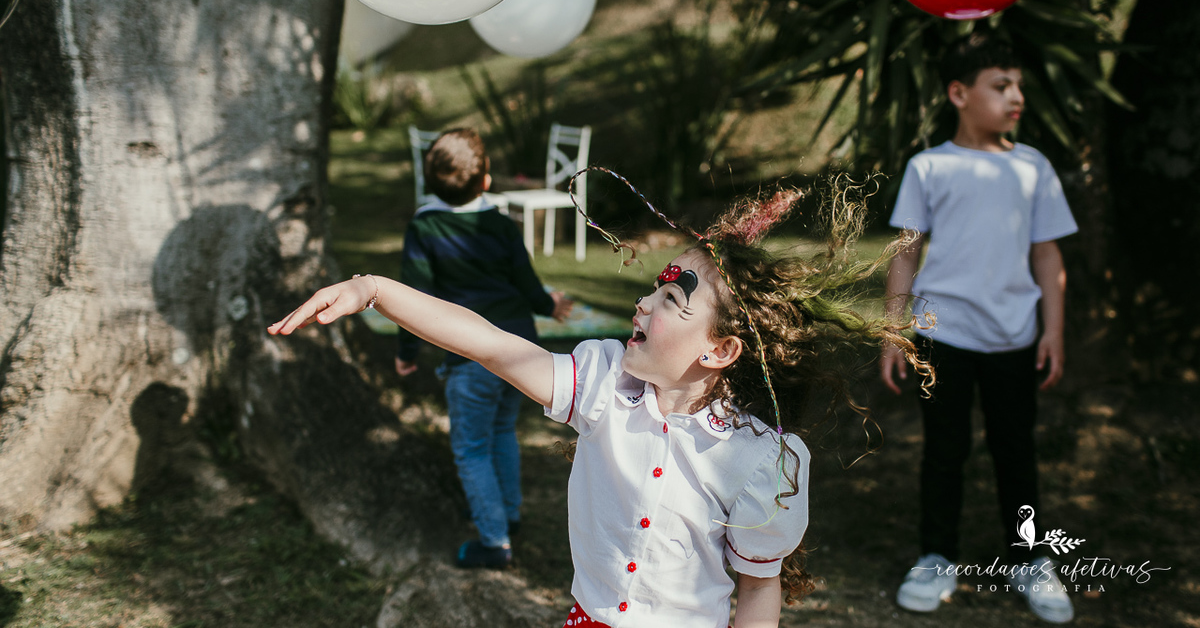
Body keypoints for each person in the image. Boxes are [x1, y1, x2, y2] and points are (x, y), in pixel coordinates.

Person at [270, 177, 930, 628]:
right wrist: (374, 287)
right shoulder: (604, 385)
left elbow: (759, 590)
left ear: (722, 351)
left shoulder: (765, 460)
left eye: (672, 300)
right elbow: (492, 345)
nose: (643, 301)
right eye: (654, 287)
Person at [879, 33, 1079, 624]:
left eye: (1017, 85)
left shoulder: (1032, 166)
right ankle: (937, 556)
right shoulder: (930, 166)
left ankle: (1030, 558)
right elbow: (905, 252)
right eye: (1000, 85)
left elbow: (1047, 255)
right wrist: (895, 331)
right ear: (959, 93)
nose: (1015, 96)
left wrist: (1053, 329)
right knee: (945, 451)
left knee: (1016, 451)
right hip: (942, 338)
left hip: (1013, 339)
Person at [393, 128, 572, 569]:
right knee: (501, 432)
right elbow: (528, 287)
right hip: (520, 351)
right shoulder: (500, 224)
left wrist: (406, 354)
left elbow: (413, 298)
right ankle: (508, 516)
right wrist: (552, 305)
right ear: (486, 179)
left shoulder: (425, 226)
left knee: (472, 447)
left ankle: (494, 541)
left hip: (470, 356)